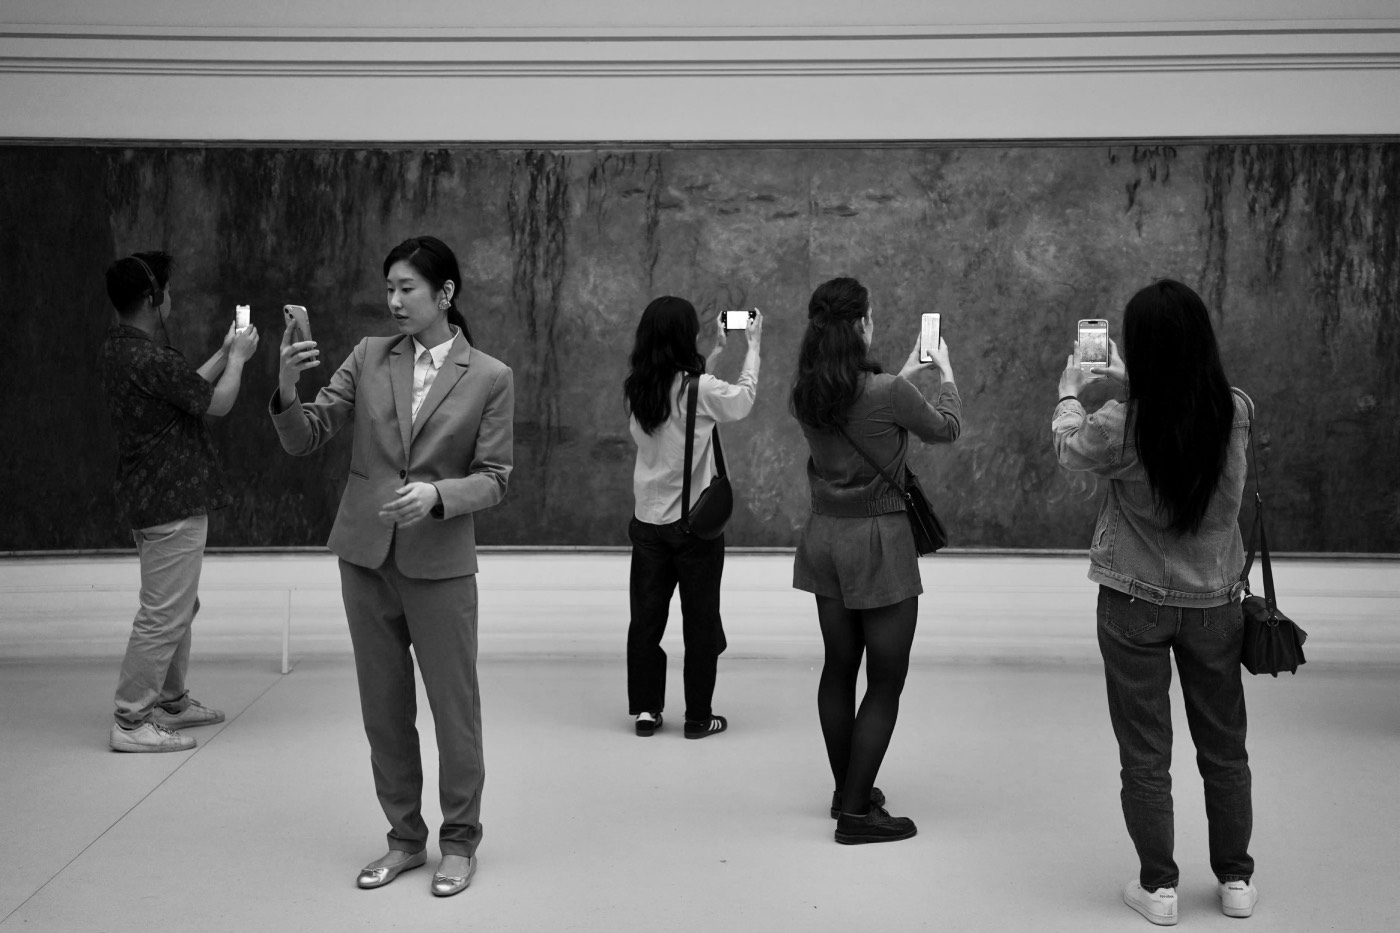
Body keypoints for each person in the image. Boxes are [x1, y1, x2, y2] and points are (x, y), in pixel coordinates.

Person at [270, 236, 513, 898]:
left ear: (445, 293)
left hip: (440, 564)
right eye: (389, 289)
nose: (395, 300)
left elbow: (495, 478)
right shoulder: (369, 355)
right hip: (365, 559)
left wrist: (437, 495)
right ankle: (404, 838)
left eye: (407, 288)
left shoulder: (489, 375)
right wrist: (287, 385)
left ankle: (459, 841)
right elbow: (307, 435)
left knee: (454, 711)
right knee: (383, 710)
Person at [1053, 279, 1258, 926]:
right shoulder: (1236, 412)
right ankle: (1236, 881)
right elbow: (1184, 410)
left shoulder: (1119, 423)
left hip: (1132, 601)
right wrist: (1130, 384)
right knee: (1224, 748)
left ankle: (1160, 889)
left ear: (1138, 348)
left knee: (1145, 753)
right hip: (1214, 604)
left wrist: (1070, 390)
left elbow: (1068, 447)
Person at [789, 276, 961, 844]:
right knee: (885, 681)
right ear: (863, 324)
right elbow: (944, 430)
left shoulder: (808, 392)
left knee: (838, 669)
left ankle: (847, 791)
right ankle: (858, 817)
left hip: (825, 540)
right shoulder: (888, 392)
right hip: (879, 545)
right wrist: (946, 376)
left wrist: (903, 377)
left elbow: (863, 407)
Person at [102, 251, 260, 753]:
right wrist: (238, 360)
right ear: (154, 298)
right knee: (163, 615)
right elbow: (217, 403)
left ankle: (171, 700)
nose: (170, 297)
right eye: (167, 290)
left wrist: (222, 352)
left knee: (177, 606)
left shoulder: (122, 350)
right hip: (171, 504)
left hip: (149, 498)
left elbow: (182, 386)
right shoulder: (151, 358)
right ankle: (131, 721)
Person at [623, 297, 762, 739]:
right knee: (700, 623)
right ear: (684, 336)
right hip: (692, 530)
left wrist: (716, 353)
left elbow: (687, 403)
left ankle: (647, 711)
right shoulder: (697, 390)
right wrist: (753, 347)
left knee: (646, 622)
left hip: (648, 526)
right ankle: (698, 718)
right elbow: (741, 400)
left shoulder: (638, 388)